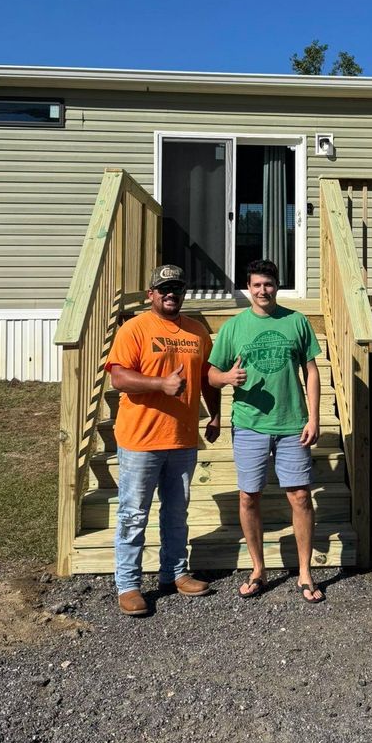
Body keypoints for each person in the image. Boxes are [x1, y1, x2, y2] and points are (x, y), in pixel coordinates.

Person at [105, 263, 221, 616]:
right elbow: (119, 378)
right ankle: (128, 584)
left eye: (178, 289)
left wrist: (215, 414)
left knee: (177, 511)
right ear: (150, 294)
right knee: (133, 513)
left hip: (182, 438)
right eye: (164, 289)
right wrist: (160, 384)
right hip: (141, 439)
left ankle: (175, 572)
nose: (171, 294)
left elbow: (204, 376)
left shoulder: (197, 331)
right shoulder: (134, 329)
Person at [208, 259, 325, 603]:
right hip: (249, 425)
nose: (263, 290)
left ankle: (304, 571)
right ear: (249, 287)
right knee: (249, 497)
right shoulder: (234, 327)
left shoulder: (296, 321)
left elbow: (312, 371)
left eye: (269, 284)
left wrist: (314, 417)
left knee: (301, 497)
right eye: (257, 285)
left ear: (277, 286)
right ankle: (258, 568)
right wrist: (227, 378)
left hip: (292, 424)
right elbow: (211, 375)